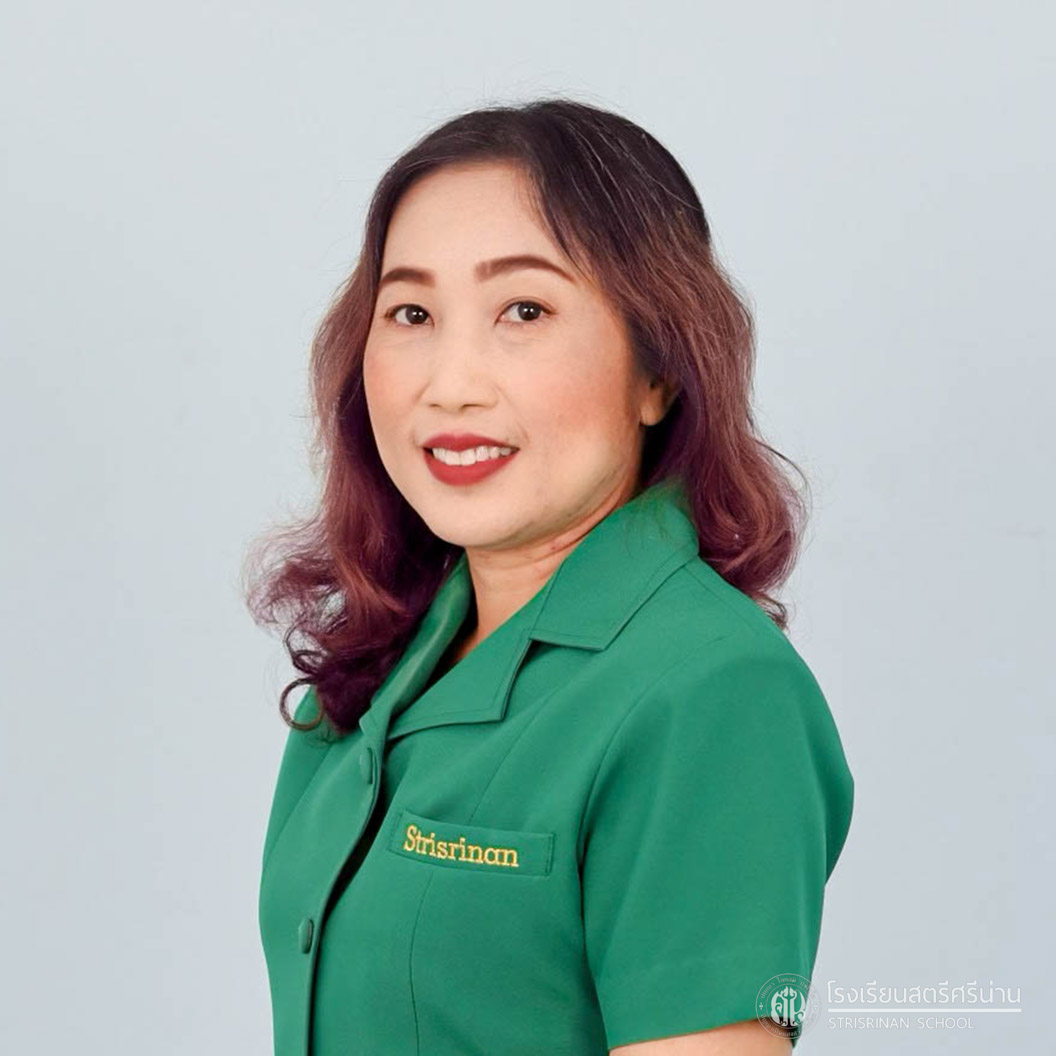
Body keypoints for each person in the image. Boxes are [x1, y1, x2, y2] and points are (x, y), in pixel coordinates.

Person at [246, 97, 854, 1056]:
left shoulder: (713, 692)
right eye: (411, 313)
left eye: (523, 311)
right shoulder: (378, 659)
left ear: (660, 369)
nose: (450, 383)